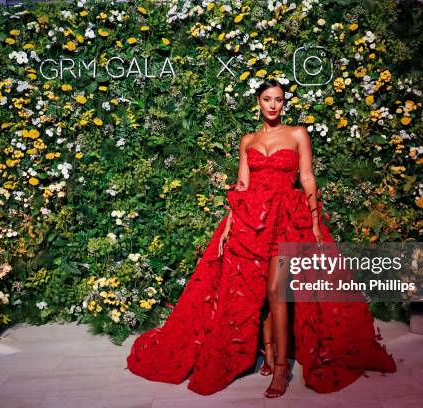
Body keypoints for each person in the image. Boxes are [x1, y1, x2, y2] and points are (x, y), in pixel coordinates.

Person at [126, 79, 396, 397]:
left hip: (286, 220)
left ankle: (281, 369)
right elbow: (242, 187)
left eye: (278, 100)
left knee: (275, 289)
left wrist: (314, 224)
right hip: (250, 222)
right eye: (267, 99)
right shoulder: (248, 140)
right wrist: (228, 226)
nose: (272, 105)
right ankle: (267, 352)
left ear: (284, 104)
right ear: (258, 101)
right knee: (251, 291)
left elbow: (307, 177)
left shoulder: (297, 134)